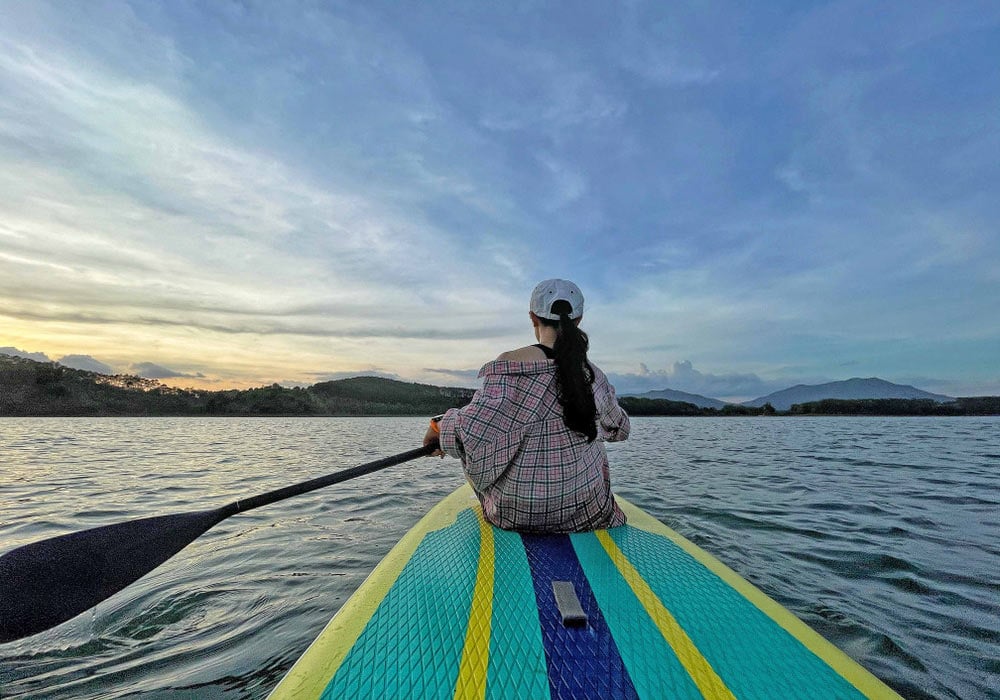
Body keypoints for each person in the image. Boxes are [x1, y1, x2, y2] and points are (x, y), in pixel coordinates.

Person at [423, 279, 630, 533]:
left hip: (516, 516)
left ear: (533, 317)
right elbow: (620, 430)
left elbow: (467, 432)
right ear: (578, 319)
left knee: (472, 444)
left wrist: (437, 427)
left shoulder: (510, 366)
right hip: (586, 513)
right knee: (595, 440)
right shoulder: (593, 376)